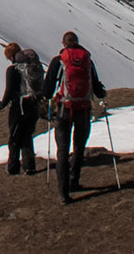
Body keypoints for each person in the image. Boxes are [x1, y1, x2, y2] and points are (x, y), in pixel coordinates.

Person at [42, 30, 105, 201]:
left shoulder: (59, 60)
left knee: (62, 149)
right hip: (83, 109)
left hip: (64, 109)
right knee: (79, 147)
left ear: (63, 44)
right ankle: (74, 181)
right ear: (77, 42)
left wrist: (48, 96)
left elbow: (47, 89)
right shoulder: (87, 60)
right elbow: (97, 88)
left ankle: (64, 192)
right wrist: (102, 94)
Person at [0, 41, 44, 176]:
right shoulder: (32, 66)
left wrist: (1, 104)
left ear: (11, 56)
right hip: (33, 105)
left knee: (14, 138)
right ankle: (29, 166)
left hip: (18, 107)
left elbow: (9, 90)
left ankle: (13, 167)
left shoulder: (12, 70)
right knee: (27, 135)